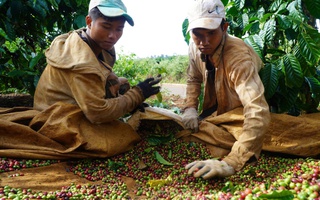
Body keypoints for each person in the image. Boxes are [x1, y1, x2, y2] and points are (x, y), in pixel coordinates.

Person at [181, 0, 271, 179]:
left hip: (241, 107)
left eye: (211, 33)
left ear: (224, 28)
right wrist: (190, 108)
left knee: (268, 138)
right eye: (197, 34)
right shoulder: (194, 46)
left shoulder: (238, 58)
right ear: (190, 32)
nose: (204, 42)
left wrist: (231, 162)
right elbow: (194, 78)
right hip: (218, 107)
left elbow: (256, 109)